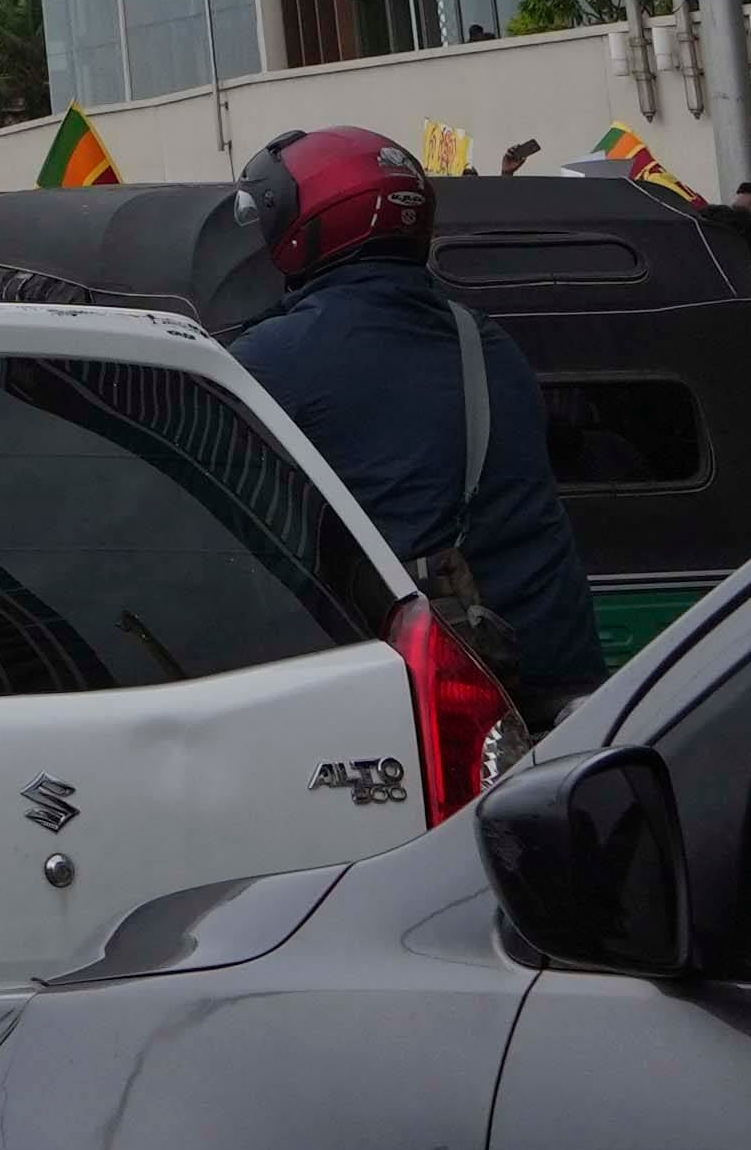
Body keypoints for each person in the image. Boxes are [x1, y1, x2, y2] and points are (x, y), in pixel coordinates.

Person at [210, 128, 607, 714]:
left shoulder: (276, 358)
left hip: (434, 699)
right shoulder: (487, 342)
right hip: (554, 678)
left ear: (310, 223)